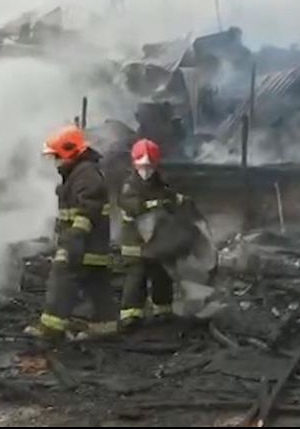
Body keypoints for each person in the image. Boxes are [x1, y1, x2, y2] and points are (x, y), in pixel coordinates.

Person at [24, 125, 118, 340]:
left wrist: (73, 239)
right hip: (92, 245)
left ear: (70, 152)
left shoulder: (85, 175)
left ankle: (51, 328)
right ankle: (106, 326)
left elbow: (87, 211)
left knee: (62, 279)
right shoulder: (80, 173)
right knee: (96, 284)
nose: (56, 161)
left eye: (57, 156)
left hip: (83, 244)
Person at [118, 139, 182, 329]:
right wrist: (156, 204)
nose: (146, 170)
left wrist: (177, 202)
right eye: (142, 165)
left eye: (150, 165)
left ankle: (163, 310)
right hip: (135, 242)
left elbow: (173, 201)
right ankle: (131, 315)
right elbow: (134, 206)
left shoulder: (161, 185)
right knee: (136, 277)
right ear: (134, 163)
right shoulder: (129, 186)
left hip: (157, 242)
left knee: (162, 276)